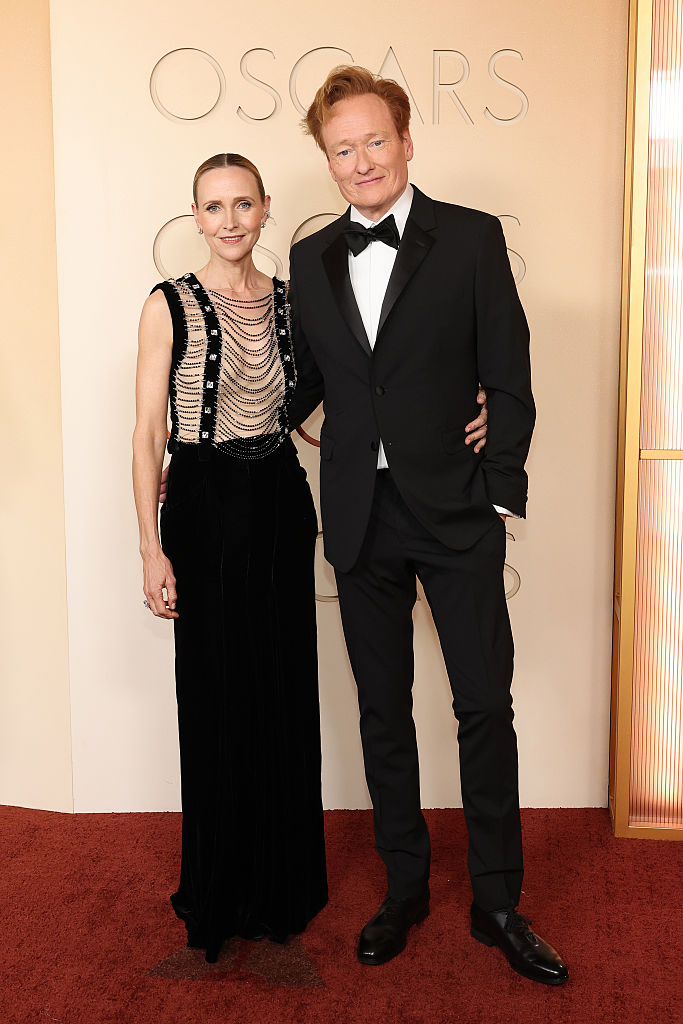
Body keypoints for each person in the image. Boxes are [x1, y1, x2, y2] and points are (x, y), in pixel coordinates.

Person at [285, 66, 569, 986]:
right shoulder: (309, 258)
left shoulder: (472, 237)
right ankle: (403, 888)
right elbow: (313, 382)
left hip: (454, 508)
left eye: (375, 140)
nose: (361, 160)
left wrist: (498, 489)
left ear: (406, 141)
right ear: (327, 161)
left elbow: (510, 375)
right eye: (342, 149)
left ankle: (497, 902)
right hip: (359, 515)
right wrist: (213, 432)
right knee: (382, 711)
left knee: (483, 704)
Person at [132, 153, 329, 962]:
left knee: (281, 689)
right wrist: (151, 546)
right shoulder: (167, 304)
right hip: (202, 505)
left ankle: (281, 887)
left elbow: (329, 399)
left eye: (242, 204)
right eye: (213, 207)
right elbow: (148, 432)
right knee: (214, 692)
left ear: (265, 207)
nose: (229, 221)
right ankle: (218, 891)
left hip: (279, 499)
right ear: (195, 215)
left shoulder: (291, 303)